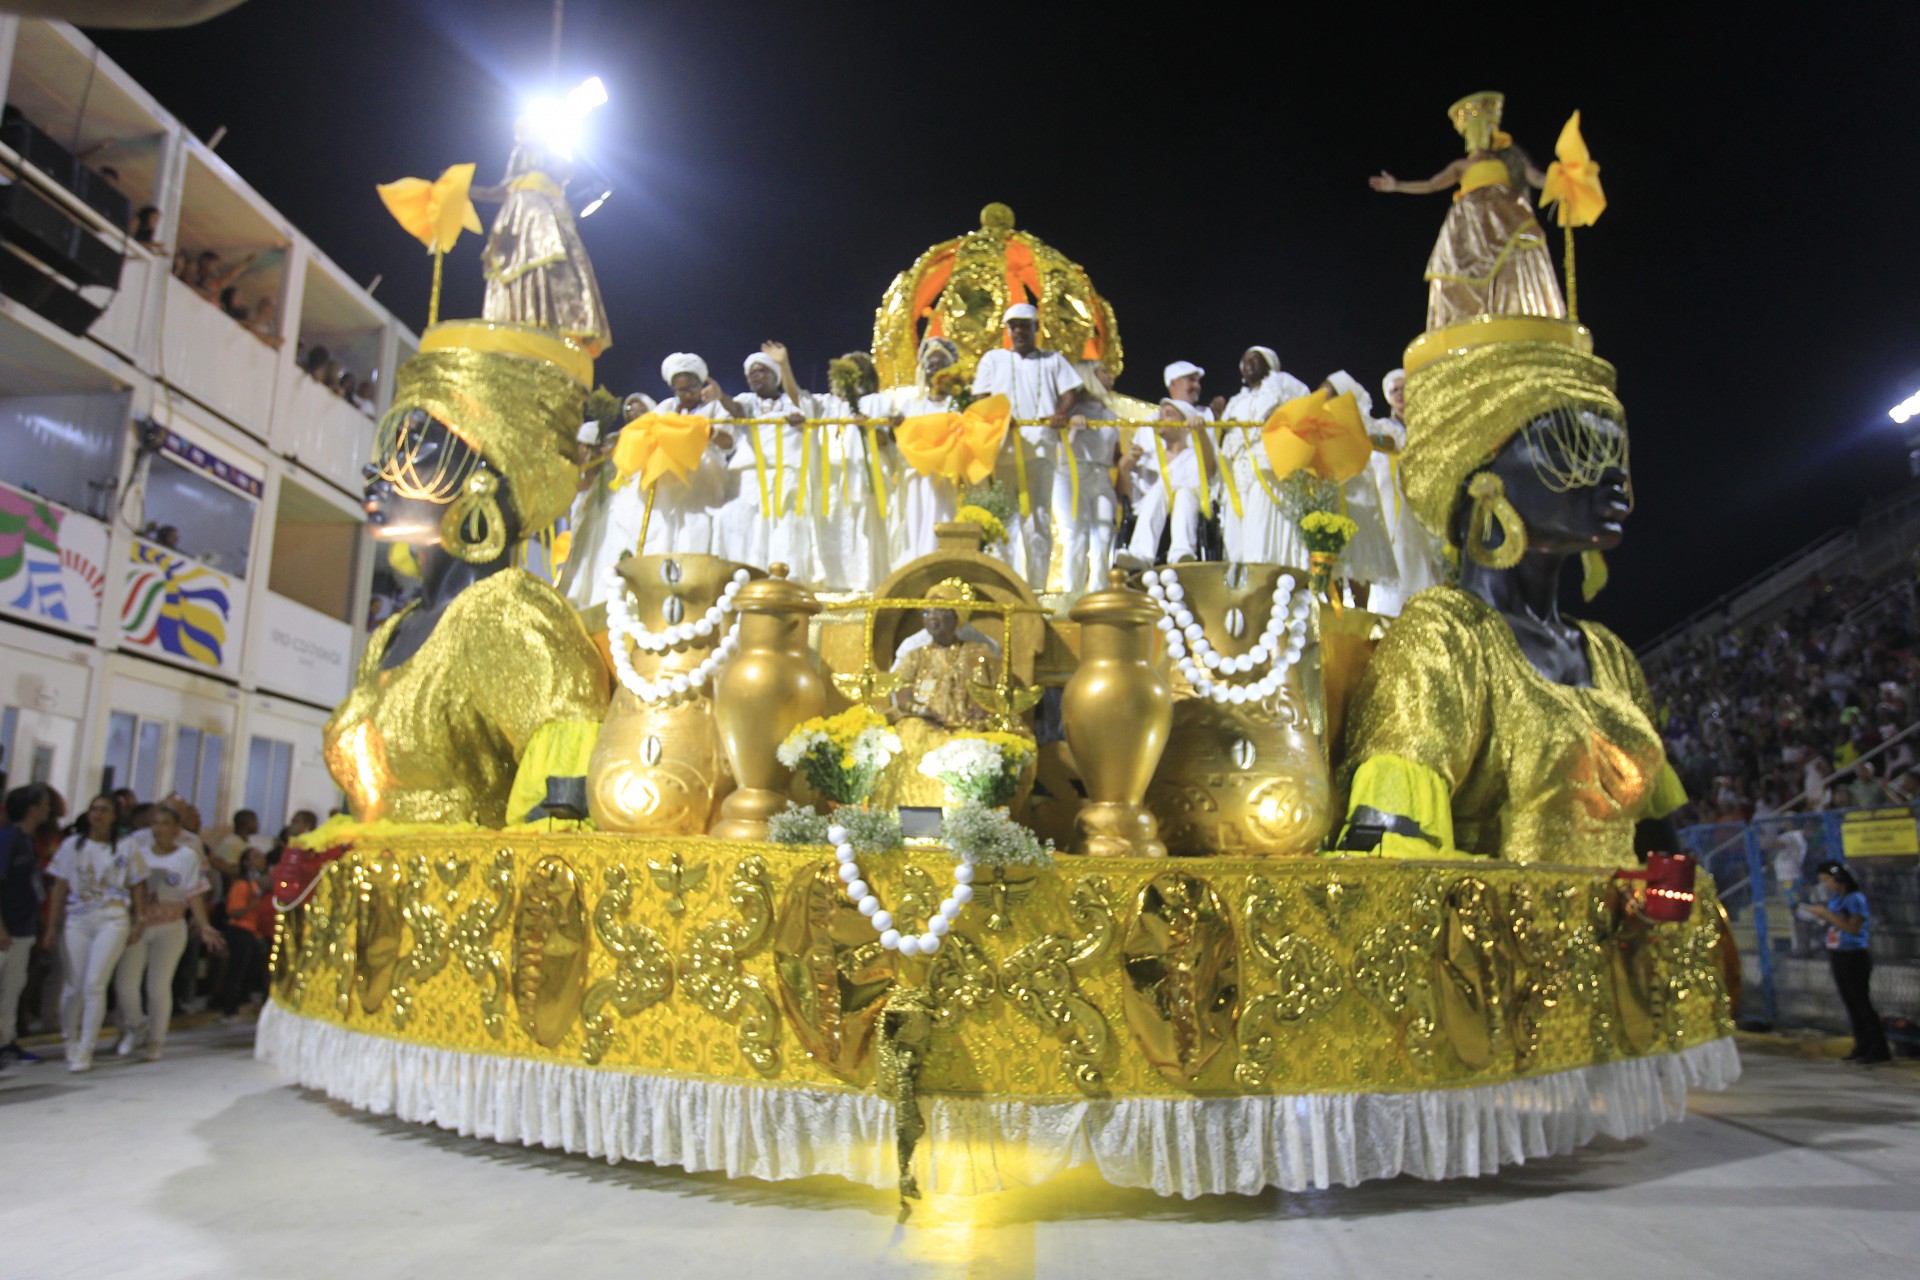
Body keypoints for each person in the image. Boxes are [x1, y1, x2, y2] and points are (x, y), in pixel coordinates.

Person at [1339, 323, 1685, 867]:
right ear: (1483, 473)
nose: (1613, 474)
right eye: (1574, 447)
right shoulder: (1445, 637)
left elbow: (1664, 861)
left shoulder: (1609, 655)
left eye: (1615, 450)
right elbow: (1391, 865)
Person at [1370, 91, 1563, 331]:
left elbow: (1537, 178)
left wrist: (1565, 179)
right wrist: (1396, 186)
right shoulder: (1461, 166)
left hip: (1507, 220)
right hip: (1471, 225)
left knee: (1512, 264)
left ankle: (1516, 316)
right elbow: (1431, 184)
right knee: (1462, 272)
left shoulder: (1511, 161)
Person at [470, 123, 612, 357]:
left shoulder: (551, 167)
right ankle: (517, 323)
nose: (522, 139)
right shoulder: (516, 182)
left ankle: (548, 325)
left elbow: (565, 168)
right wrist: (460, 188)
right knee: (513, 269)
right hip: (515, 225)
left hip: (546, 220)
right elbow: (489, 193)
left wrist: (553, 141)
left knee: (551, 266)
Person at [971, 303, 1083, 589]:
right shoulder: (993, 359)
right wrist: (997, 416)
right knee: (1004, 522)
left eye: (1025, 325)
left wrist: (1060, 414)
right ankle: (1004, 589)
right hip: (1003, 450)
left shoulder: (1053, 359)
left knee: (1038, 521)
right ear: (1007, 331)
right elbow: (981, 397)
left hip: (1041, 448)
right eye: (1014, 326)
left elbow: (1071, 391)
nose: (1019, 331)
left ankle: (1036, 589)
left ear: (1036, 328)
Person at [42, 796, 147, 1072]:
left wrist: (140, 919)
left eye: (105, 809)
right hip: (77, 918)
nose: (98, 815)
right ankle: (70, 1039)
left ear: (115, 815)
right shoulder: (71, 846)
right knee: (73, 985)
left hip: (112, 918)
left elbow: (138, 883)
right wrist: (52, 926)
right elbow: (59, 886)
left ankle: (87, 1048)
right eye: (94, 809)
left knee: (94, 984)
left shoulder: (126, 845)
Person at [113, 805, 223, 1061]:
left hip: (170, 927)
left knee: (157, 987)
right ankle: (137, 1025)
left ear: (176, 828)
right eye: (155, 823)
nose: (158, 828)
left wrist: (204, 925)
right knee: (126, 984)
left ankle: (156, 1041)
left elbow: (193, 893)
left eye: (164, 823)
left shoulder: (186, 856)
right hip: (139, 926)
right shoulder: (138, 853)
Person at [715, 344, 817, 576]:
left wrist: (784, 364)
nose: (754, 377)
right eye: (750, 374)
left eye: (760, 371)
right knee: (744, 528)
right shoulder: (748, 401)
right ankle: (743, 579)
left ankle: (785, 581)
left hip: (786, 476)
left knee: (785, 527)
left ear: (775, 375)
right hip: (749, 477)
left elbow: (804, 407)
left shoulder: (793, 401)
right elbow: (736, 409)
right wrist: (719, 395)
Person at [1216, 347, 1309, 566]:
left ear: (1269, 364)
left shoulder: (1281, 383)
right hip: (1237, 473)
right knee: (1234, 538)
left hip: (1266, 468)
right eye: (1245, 360)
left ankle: (1262, 583)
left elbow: (1305, 403)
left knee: (1261, 531)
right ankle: (1237, 588)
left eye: (1255, 359)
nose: (1248, 363)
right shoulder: (1237, 400)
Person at [1367, 365, 1448, 615]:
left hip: (1425, 509)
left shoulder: (1429, 430)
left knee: (1430, 560)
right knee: (1399, 557)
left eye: (1405, 388)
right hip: (1394, 507)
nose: (1401, 394)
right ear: (1388, 396)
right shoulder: (1381, 428)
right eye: (1395, 390)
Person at [814, 351, 895, 591]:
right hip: (832, 478)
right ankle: (834, 588)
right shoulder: (828, 405)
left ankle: (865, 587)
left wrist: (867, 426)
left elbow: (885, 441)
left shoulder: (877, 402)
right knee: (833, 530)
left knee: (863, 532)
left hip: (863, 476)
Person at [1121, 362, 1213, 567]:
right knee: (1158, 491)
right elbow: (1135, 493)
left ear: (1183, 426)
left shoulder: (1194, 449)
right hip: (1156, 503)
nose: (1161, 420)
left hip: (1191, 503)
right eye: (1191, 380)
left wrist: (1202, 433)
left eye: (1169, 415)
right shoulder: (1150, 443)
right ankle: (1140, 555)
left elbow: (1209, 473)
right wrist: (1125, 465)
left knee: (1183, 495)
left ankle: (1181, 554)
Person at [1800, 861, 1892, 1064]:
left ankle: (1878, 1049)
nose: (1825, 884)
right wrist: (1821, 917)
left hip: (1855, 954)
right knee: (1850, 1002)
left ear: (1838, 879)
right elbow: (1835, 924)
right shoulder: (1836, 898)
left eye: (1826, 880)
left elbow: (1853, 928)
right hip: (1839, 952)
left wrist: (1828, 915)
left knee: (1861, 1001)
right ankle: (1862, 1045)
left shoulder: (1855, 899)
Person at [890, 337, 965, 562]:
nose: (935, 370)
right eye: (930, 364)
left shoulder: (958, 404)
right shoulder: (910, 406)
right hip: (916, 476)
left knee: (942, 518)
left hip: (946, 478)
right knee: (914, 521)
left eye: (941, 364)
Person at [1056, 360, 1126, 592]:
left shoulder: (1111, 415)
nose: (1110, 376)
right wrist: (1072, 426)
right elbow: (1060, 444)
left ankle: (1098, 594)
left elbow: (1116, 454)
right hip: (1072, 474)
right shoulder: (1069, 410)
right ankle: (1071, 594)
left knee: (1105, 533)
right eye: (1104, 371)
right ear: (1089, 376)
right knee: (1076, 534)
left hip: (1102, 475)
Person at [1, 785, 50, 1066]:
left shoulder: (26, 840)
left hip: (23, 927)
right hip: (6, 929)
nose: (48, 810)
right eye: (44, 804)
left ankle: (5, 1041)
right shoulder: (7, 840)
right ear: (32, 808)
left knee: (12, 988)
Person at [219, 847, 275, 1018]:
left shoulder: (255, 885)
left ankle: (241, 1002)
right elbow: (234, 911)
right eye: (256, 857)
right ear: (246, 862)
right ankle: (229, 1007)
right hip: (240, 931)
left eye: (262, 856)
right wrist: (254, 903)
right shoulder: (241, 885)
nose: (261, 860)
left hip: (253, 932)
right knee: (237, 970)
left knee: (248, 971)